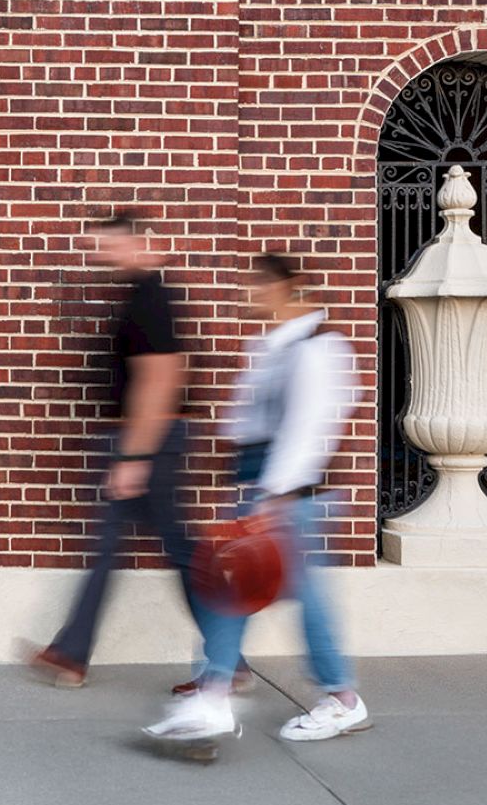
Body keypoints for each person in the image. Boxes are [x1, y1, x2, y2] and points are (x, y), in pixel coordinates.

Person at [145, 250, 370, 742]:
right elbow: (247, 421)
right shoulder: (272, 345)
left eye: (261, 286)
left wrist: (273, 497)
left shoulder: (318, 347)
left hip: (291, 492)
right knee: (234, 587)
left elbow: (310, 429)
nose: (253, 294)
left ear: (290, 287)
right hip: (264, 486)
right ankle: (220, 689)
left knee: (252, 590)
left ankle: (335, 697)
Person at [29, 211, 197, 687]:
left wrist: (134, 458)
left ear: (137, 242)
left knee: (177, 552)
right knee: (130, 549)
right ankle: (71, 652)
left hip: (151, 443)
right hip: (144, 440)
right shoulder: (139, 294)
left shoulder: (151, 296)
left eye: (109, 244)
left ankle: (227, 662)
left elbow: (160, 379)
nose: (103, 255)